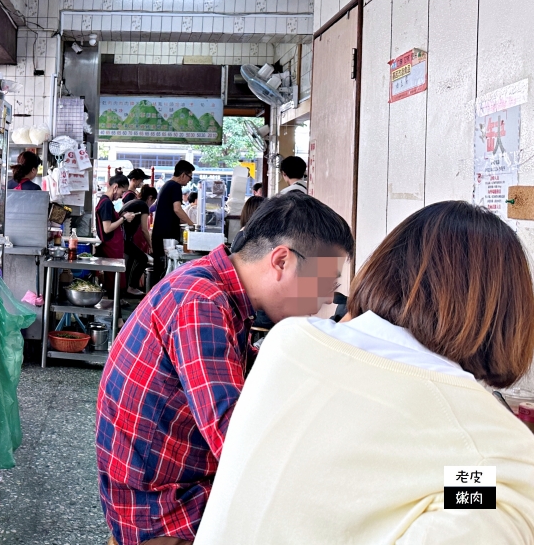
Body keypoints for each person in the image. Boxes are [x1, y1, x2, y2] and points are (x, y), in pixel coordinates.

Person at [195, 201, 534, 544]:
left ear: (386, 269)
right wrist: (474, 478)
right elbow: (474, 484)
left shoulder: (287, 343)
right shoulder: (493, 446)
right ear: (504, 314)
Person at [97, 193, 354, 545]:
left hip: (173, 483)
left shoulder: (217, 289)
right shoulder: (200, 301)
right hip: (161, 510)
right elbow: (233, 441)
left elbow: (242, 370)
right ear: (282, 261)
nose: (326, 300)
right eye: (327, 284)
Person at [150, 160, 196, 282]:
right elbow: (177, 209)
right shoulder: (175, 187)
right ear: (183, 175)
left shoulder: (167, 185)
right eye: (189, 178)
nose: (188, 182)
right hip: (166, 237)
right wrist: (192, 225)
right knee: (164, 272)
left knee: (159, 269)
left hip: (160, 234)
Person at [123, 185, 158, 296]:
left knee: (131, 261)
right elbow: (144, 229)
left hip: (121, 238)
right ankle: (132, 287)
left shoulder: (134, 202)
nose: (152, 204)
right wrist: (151, 245)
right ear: (150, 198)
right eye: (153, 201)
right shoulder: (143, 206)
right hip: (124, 238)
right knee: (143, 258)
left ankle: (126, 290)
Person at [96, 174, 137, 260]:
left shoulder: (106, 202)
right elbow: (107, 228)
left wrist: (120, 216)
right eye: (122, 192)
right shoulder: (106, 203)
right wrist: (124, 218)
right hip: (110, 249)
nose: (122, 196)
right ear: (115, 187)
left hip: (114, 248)